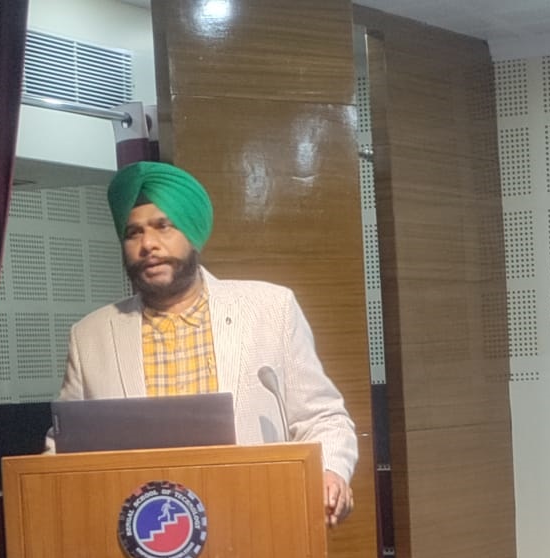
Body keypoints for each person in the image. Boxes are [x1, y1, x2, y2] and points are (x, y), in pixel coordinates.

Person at [57, 161, 357, 525]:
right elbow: (67, 444)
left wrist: (330, 471)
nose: (148, 244)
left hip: (255, 523)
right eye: (133, 233)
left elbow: (323, 417)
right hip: (144, 534)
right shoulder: (91, 336)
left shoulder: (269, 309)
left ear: (192, 231)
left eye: (163, 226)